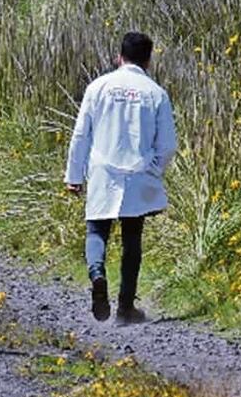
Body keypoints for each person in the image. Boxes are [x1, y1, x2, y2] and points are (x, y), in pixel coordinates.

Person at [64, 32, 178, 324]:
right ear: (149, 61)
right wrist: (152, 170)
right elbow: (167, 145)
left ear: (119, 57)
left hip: (103, 169)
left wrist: (74, 175)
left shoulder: (98, 87)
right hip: (138, 172)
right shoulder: (155, 93)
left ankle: (97, 273)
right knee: (132, 236)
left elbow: (81, 135)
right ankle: (126, 307)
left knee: (96, 230)